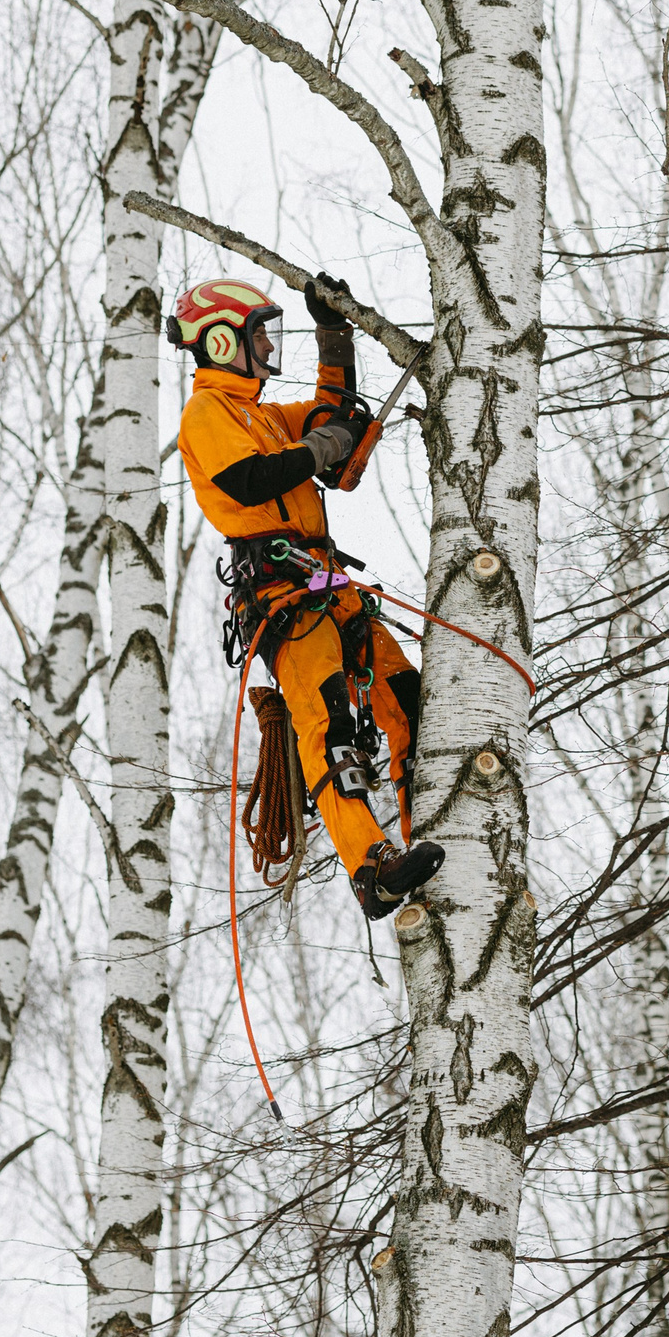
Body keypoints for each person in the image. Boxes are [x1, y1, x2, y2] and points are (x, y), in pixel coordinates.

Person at [169, 271, 444, 919]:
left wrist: (332, 335)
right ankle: (371, 869)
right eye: (259, 336)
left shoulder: (262, 416)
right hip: (280, 597)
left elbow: (328, 415)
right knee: (332, 724)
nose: (269, 347)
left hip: (326, 583)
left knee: (406, 699)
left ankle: (421, 829)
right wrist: (322, 445)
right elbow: (251, 479)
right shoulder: (208, 413)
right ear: (220, 341)